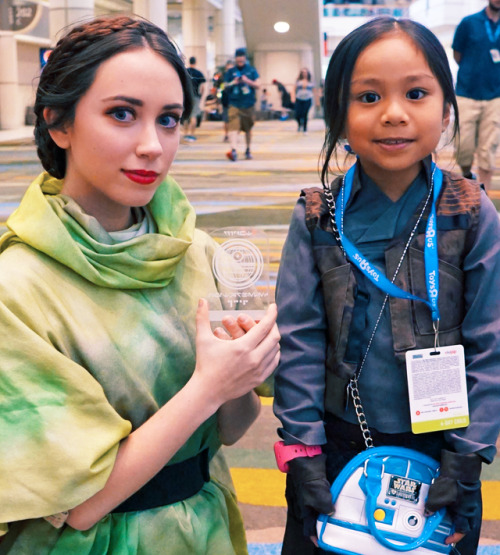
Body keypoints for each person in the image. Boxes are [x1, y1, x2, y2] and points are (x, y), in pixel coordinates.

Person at [0, 16, 281, 555]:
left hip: (204, 526)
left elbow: (227, 429)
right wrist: (208, 386)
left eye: (170, 119)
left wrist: (242, 372)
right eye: (122, 114)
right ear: (58, 122)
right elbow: (79, 502)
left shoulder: (197, 252)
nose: (153, 145)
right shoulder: (18, 287)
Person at [274, 16, 500, 555]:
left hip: (443, 448)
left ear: (447, 110)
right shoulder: (317, 216)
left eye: (416, 93)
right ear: (337, 114)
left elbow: (491, 343)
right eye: (368, 96)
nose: (394, 113)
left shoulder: (470, 213)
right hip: (335, 444)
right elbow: (299, 340)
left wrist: (468, 455)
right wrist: (302, 452)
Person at [452, 0, 500, 192]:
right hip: (467, 93)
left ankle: (484, 198)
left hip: (495, 96)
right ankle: (466, 175)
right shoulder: (469, 22)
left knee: (488, 150)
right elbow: (457, 55)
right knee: (463, 146)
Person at [224, 48, 260, 161]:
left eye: (242, 56)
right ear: (235, 58)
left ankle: (248, 149)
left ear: (245, 57)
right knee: (233, 126)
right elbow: (224, 86)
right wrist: (233, 82)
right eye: (238, 56)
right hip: (234, 103)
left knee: (248, 128)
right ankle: (233, 150)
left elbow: (258, 85)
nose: (240, 58)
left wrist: (246, 80)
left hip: (248, 104)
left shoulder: (251, 70)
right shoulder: (230, 72)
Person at [183, 56, 206, 142]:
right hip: (195, 96)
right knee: (194, 116)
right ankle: (191, 134)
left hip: (186, 96)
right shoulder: (199, 73)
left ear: (189, 62)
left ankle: (185, 134)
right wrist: (201, 96)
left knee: (186, 116)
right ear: (195, 62)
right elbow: (203, 87)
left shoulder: (185, 72)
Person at [294, 68, 314, 133]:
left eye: (305, 72)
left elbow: (314, 91)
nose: (304, 73)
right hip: (299, 99)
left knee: (305, 113)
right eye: (303, 72)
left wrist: (317, 102)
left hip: (308, 99)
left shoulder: (311, 81)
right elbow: (293, 89)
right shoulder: (298, 81)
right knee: (298, 114)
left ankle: (305, 128)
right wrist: (293, 97)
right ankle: (300, 124)